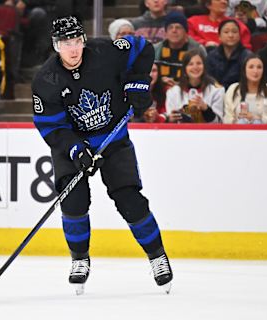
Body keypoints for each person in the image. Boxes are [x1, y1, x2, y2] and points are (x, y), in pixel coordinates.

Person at [32, 16, 173, 294]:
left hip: (113, 139)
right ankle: (79, 259)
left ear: (83, 40)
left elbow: (143, 48)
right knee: (73, 201)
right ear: (55, 45)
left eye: (76, 41)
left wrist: (138, 83)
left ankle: (157, 256)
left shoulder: (107, 51)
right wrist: (75, 149)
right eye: (65, 43)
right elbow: (51, 126)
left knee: (129, 199)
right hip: (73, 147)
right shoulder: (45, 80)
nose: (72, 49)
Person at [165, 49, 224, 123]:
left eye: (199, 63)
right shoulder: (172, 92)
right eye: (190, 64)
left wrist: (206, 109)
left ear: (204, 66)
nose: (195, 67)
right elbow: (170, 123)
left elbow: (219, 123)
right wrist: (172, 119)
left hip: (208, 133)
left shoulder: (216, 91)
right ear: (184, 68)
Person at [223, 53, 267, 124]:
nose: (255, 71)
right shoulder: (233, 89)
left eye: (259, 67)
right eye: (251, 67)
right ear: (244, 70)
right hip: (238, 132)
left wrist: (260, 118)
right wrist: (237, 121)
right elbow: (226, 118)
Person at [154, 11, 206, 87]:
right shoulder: (155, 50)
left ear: (186, 32)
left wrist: (179, 85)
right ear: (166, 32)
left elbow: (204, 75)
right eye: (170, 27)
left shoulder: (198, 49)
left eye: (178, 27)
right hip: (160, 90)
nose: (174, 30)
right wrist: (160, 80)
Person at [187, 0, 252, 50]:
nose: (224, 2)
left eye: (226, 0)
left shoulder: (237, 25)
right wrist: (205, 43)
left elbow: (245, 48)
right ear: (208, 4)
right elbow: (187, 39)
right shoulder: (193, 22)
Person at [206, 19, 251, 90]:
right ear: (219, 36)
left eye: (234, 32)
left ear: (239, 35)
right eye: (226, 32)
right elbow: (208, 77)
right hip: (216, 93)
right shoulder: (212, 55)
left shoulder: (247, 56)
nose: (230, 35)